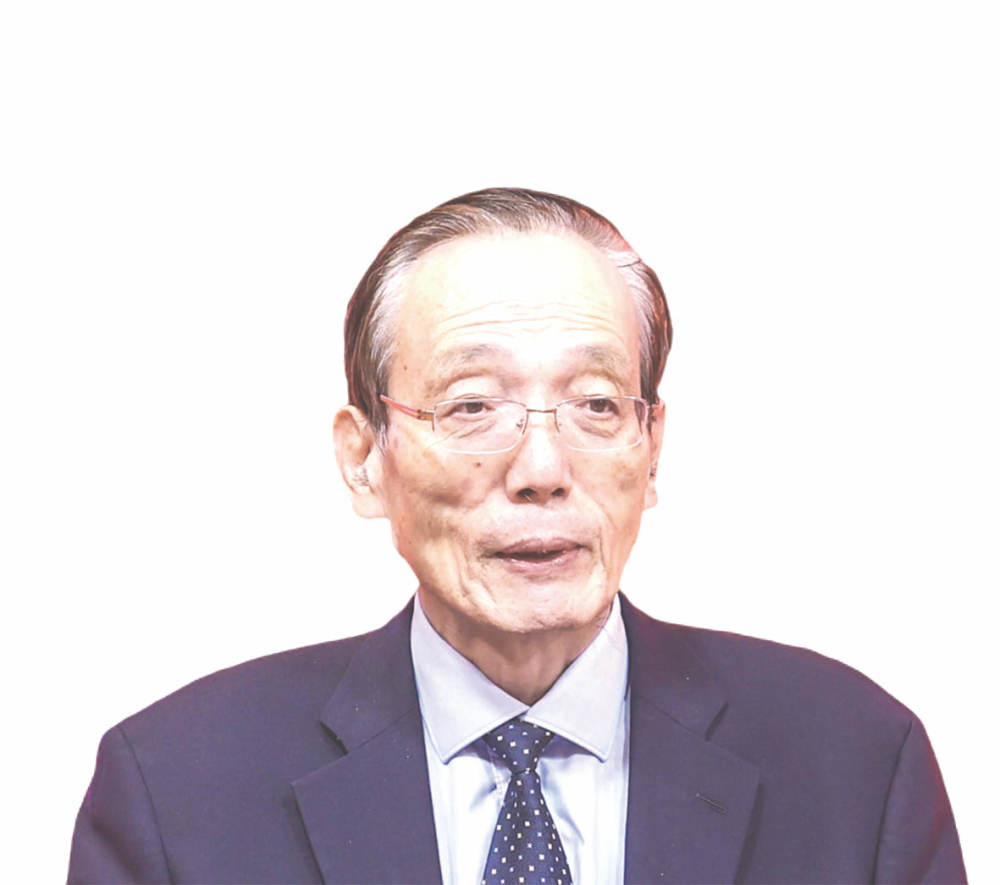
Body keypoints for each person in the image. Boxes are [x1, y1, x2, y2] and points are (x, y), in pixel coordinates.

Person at [68, 188, 965, 884]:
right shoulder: (176, 790)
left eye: (596, 404)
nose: (542, 467)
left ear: (651, 449)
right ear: (364, 459)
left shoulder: (856, 766)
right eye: (472, 406)